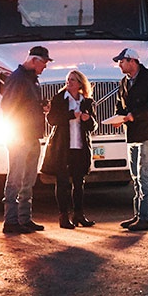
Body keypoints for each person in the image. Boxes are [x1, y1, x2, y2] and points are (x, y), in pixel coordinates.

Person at [1, 45, 52, 234]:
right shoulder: (18, 79)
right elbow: (8, 107)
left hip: (31, 136)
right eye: (44, 63)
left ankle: (24, 219)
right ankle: (11, 221)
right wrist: (16, 134)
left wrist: (41, 107)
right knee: (15, 179)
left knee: (28, 180)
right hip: (21, 137)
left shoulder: (31, 79)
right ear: (34, 60)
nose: (45, 67)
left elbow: (25, 105)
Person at [41, 70, 97, 229]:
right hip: (62, 147)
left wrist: (88, 119)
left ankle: (79, 214)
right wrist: (72, 114)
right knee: (62, 182)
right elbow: (52, 120)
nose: (69, 82)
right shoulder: (59, 99)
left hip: (79, 146)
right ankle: (63, 216)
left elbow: (93, 126)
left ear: (80, 83)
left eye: (73, 80)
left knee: (79, 182)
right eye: (68, 80)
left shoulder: (87, 102)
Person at [112, 48, 148, 232]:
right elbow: (120, 104)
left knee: (144, 174)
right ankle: (138, 215)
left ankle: (146, 218)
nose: (119, 65)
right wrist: (118, 118)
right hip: (131, 135)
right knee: (135, 176)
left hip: (147, 134)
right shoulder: (124, 82)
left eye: (121, 61)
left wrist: (134, 115)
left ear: (132, 61)